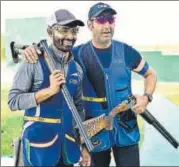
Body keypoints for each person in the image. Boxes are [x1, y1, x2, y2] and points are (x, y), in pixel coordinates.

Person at [19, 2, 157, 167]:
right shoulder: (76, 54)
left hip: (125, 127)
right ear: (90, 25)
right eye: (101, 20)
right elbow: (53, 52)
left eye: (111, 19)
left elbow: (150, 74)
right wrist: (33, 49)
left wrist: (146, 97)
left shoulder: (127, 51)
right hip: (93, 131)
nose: (107, 25)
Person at [8, 9, 91, 167]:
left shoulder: (77, 69)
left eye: (74, 31)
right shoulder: (32, 61)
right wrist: (49, 91)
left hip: (67, 149)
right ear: (49, 31)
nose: (70, 36)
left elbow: (79, 109)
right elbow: (13, 101)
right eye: (63, 30)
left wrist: (84, 146)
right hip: (38, 149)